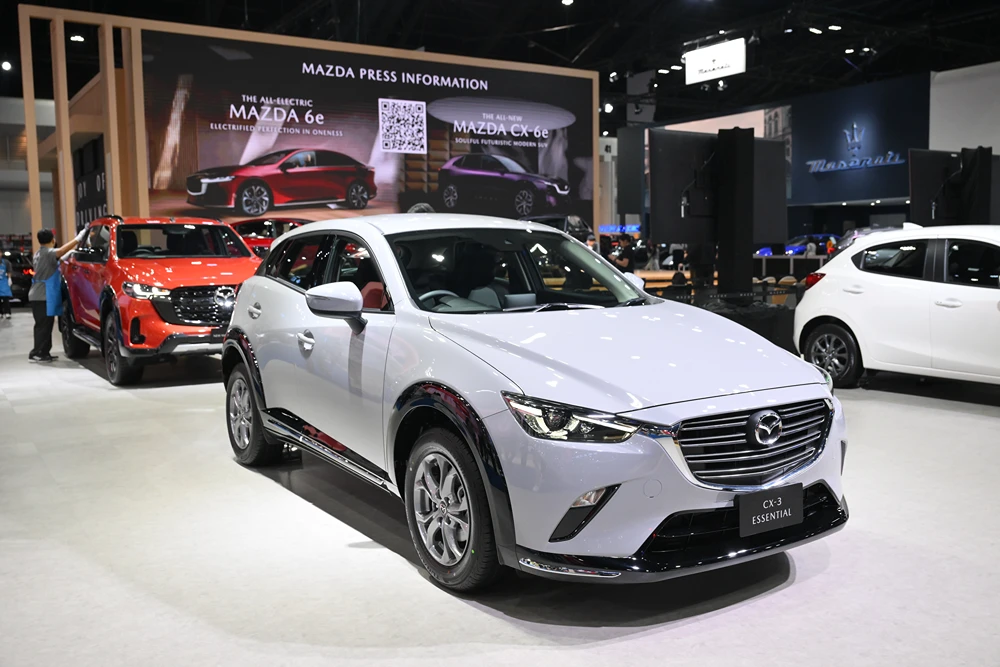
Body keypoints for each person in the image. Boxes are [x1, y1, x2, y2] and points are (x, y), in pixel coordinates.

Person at [29, 228, 86, 362]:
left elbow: (55, 262)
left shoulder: (39, 253)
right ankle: (37, 353)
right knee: (43, 326)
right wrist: (78, 239)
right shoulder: (48, 253)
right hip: (42, 295)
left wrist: (67, 256)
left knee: (46, 325)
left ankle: (44, 352)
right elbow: (60, 251)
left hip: (40, 294)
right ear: (52, 240)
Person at [0, 254, 12, 319]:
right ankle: (0, 313)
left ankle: (7, 312)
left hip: (3, 281)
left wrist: (9, 278)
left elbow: (9, 271)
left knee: (5, 297)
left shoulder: (6, 262)